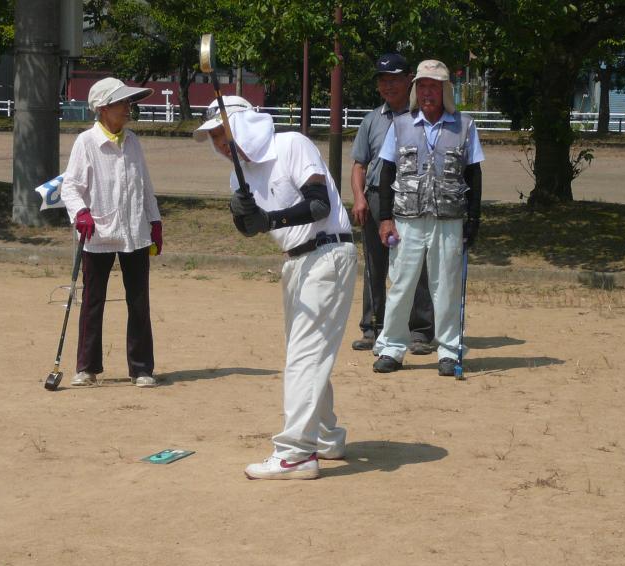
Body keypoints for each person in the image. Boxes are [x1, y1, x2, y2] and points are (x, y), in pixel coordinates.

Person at [194, 96, 357, 480]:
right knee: (306, 352)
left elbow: (318, 205)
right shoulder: (238, 177)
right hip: (295, 262)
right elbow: (251, 229)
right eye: (213, 138)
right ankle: (325, 436)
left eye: (222, 133)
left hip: (327, 252)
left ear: (244, 124)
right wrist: (245, 215)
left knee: (304, 355)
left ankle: (296, 454)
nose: (220, 144)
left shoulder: (291, 145)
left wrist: (270, 218)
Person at [372, 59, 484, 376]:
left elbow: (474, 175)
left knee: (446, 286)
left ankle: (448, 351)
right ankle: (392, 348)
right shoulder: (401, 124)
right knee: (401, 285)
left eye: (433, 86)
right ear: (415, 90)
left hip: (449, 218)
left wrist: (473, 220)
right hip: (406, 217)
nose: (427, 92)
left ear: (445, 90)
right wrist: (384, 218)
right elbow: (387, 172)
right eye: (422, 86)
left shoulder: (464, 125)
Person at [60, 77, 163, 388]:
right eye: (121, 103)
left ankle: (142, 368)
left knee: (139, 301)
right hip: (98, 233)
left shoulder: (133, 142)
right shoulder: (86, 143)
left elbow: (144, 185)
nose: (128, 108)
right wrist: (80, 212)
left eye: (129, 102)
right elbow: (71, 187)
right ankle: (87, 367)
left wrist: (154, 221)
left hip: (134, 231)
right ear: (103, 109)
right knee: (93, 301)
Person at [350, 53, 434, 355]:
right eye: (383, 80)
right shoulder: (372, 120)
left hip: (411, 197)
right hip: (374, 198)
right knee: (375, 265)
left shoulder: (421, 119)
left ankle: (420, 331)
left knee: (417, 264)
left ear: (408, 79)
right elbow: (359, 165)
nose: (388, 85)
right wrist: (359, 197)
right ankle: (373, 327)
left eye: (394, 79)